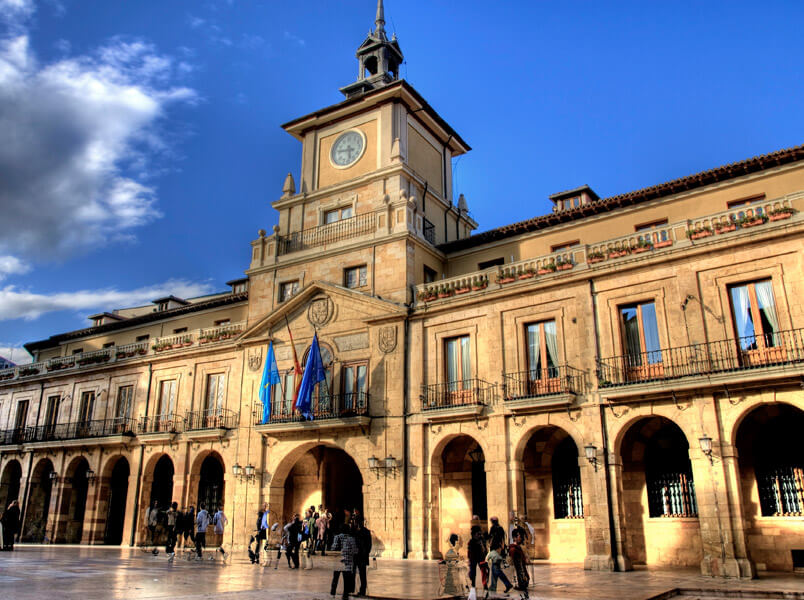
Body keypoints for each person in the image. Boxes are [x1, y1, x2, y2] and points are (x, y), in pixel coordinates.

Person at [330, 523, 359, 600]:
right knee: (346, 579)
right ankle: (345, 594)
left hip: (338, 561)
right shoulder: (351, 538)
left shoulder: (337, 537)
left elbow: (333, 548)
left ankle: (333, 593)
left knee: (335, 578)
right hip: (347, 561)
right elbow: (355, 550)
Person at [508, 527, 530, 598]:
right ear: (514, 538)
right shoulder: (514, 549)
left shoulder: (518, 548)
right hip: (521, 582)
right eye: (519, 536)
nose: (521, 538)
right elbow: (518, 568)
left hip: (523, 581)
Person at [354, 517, 373, 597]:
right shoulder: (355, 531)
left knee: (362, 574)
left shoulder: (364, 532)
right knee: (360, 574)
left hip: (361, 556)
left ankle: (362, 590)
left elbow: (369, 545)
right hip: (358, 556)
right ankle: (359, 590)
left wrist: (365, 553)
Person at [467, 525, 489, 592]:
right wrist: (469, 560)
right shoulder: (471, 542)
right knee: (473, 572)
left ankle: (485, 585)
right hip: (473, 558)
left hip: (481, 557)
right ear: (473, 534)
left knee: (483, 572)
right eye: (478, 534)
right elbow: (469, 552)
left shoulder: (481, 540)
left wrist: (485, 556)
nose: (479, 535)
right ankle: (473, 585)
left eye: (480, 534)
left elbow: (485, 549)